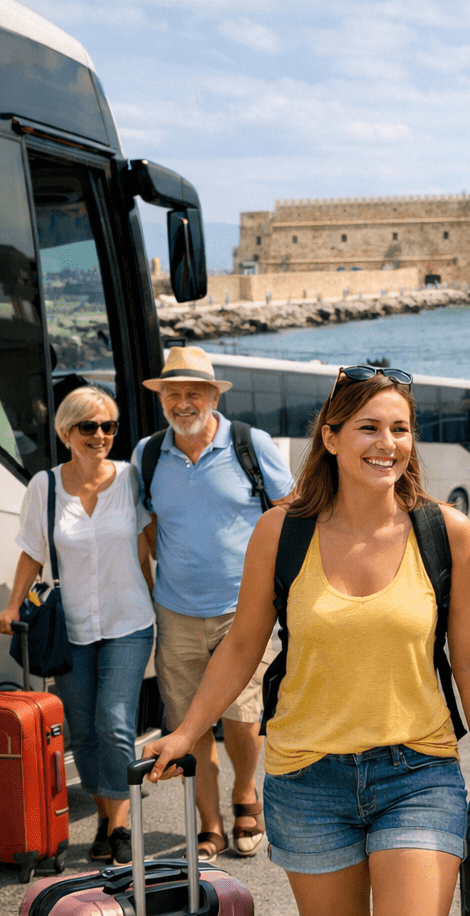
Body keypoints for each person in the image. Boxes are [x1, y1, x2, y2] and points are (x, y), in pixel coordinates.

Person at [144, 365, 470, 916]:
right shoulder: (282, 532)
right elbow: (242, 646)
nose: (386, 443)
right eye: (369, 427)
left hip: (418, 774)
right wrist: (187, 729)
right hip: (307, 780)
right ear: (332, 437)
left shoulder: (444, 531)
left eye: (400, 429)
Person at [133, 346, 295, 861]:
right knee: (188, 724)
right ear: (162, 399)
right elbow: (150, 526)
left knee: (244, 717)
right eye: (173, 394)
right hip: (176, 612)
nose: (183, 403)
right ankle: (210, 824)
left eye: (193, 393)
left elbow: (291, 511)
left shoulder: (252, 444)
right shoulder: (149, 453)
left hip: (243, 609)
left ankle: (246, 795)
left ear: (211, 396)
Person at [0, 386, 155, 866]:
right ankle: (105, 817)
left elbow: (153, 540)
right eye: (89, 427)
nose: (101, 435)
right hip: (72, 627)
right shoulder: (44, 486)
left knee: (114, 720)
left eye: (109, 426)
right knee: (81, 730)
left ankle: (122, 825)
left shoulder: (130, 479)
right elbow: (31, 549)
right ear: (66, 432)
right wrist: (12, 605)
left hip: (130, 619)